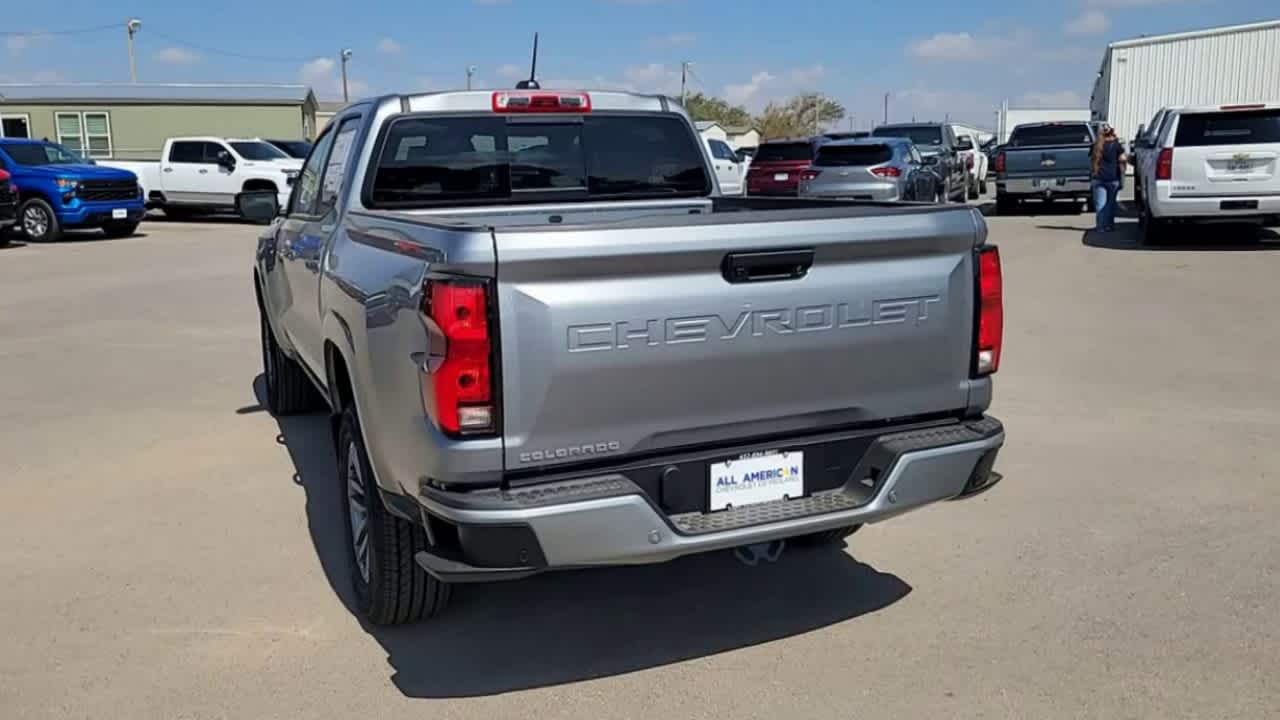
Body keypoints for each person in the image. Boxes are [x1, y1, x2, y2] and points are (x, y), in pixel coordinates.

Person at [1090, 124, 1127, 232]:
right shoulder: (1116, 145)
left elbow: (1090, 161)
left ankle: (1100, 227)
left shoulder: (1095, 146)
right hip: (1113, 178)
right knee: (1111, 204)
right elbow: (1123, 159)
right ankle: (1109, 226)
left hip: (1098, 178)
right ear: (1112, 133)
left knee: (1100, 204)